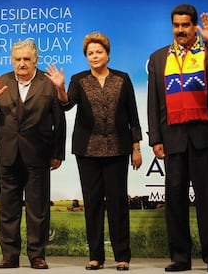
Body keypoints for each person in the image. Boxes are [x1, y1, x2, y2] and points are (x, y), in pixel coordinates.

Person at [147, 4, 208, 272]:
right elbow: (154, 101)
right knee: (174, 200)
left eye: (185, 25)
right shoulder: (159, 57)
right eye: (176, 25)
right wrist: (155, 138)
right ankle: (180, 257)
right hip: (173, 137)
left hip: (207, 137)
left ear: (194, 26)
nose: (180, 30)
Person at [46, 32, 142, 271]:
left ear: (108, 55)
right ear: (86, 57)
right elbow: (66, 104)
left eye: (99, 52)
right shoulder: (79, 80)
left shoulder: (122, 79)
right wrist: (59, 88)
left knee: (118, 203)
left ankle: (122, 256)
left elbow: (133, 115)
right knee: (93, 203)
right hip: (87, 150)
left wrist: (136, 147)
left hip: (118, 149)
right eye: (90, 53)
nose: (95, 56)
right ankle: (96, 256)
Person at [0, 39, 66, 270]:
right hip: (8, 154)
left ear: (36, 60)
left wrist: (58, 152)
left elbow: (60, 120)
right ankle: (9, 255)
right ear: (12, 60)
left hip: (39, 154)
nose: (22, 63)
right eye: (18, 59)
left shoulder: (48, 84)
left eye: (27, 59)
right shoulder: (2, 81)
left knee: (38, 208)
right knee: (8, 207)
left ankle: (37, 255)